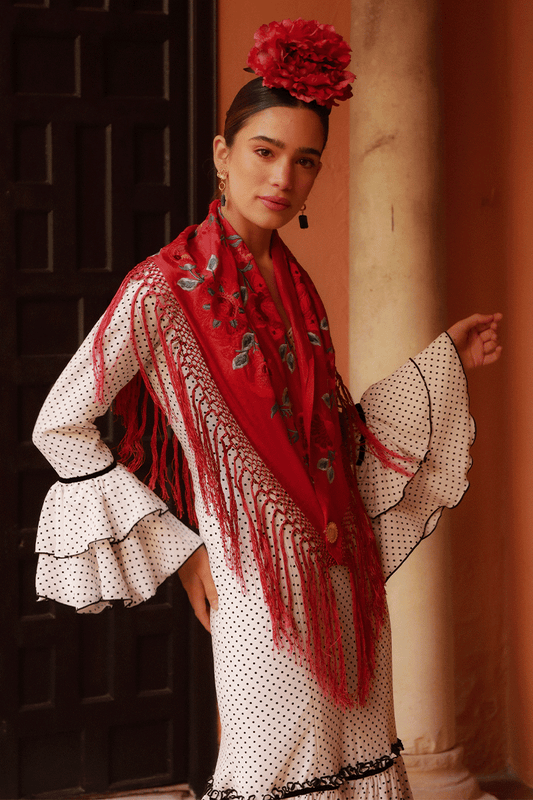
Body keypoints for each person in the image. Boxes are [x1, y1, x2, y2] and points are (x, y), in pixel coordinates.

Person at [32, 18, 502, 800]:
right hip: (255, 584)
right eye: (264, 150)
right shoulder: (161, 289)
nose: (283, 176)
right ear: (223, 155)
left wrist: (442, 359)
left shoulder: (296, 287)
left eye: (305, 160)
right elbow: (60, 422)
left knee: (362, 767)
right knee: (270, 775)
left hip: (345, 576)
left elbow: (336, 437)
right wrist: (184, 551)